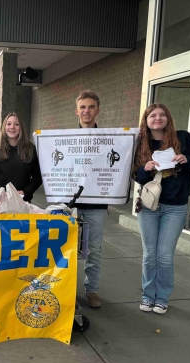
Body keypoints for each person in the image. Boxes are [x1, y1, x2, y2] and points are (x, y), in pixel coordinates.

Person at [133, 103, 190, 315]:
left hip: (175, 207)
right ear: (146, 120)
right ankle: (147, 296)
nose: (158, 118)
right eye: (153, 115)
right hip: (148, 206)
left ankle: (162, 298)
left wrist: (186, 160)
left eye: (162, 114)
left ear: (168, 118)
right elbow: (135, 176)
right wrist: (145, 169)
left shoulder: (182, 138)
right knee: (149, 254)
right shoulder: (141, 143)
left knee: (164, 255)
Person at [74, 90, 107, 308]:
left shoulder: (108, 139)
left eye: (91, 107)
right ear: (77, 111)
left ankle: (92, 290)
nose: (87, 111)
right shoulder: (66, 139)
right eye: (83, 107)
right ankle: (69, 292)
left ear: (98, 110)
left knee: (94, 250)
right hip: (71, 204)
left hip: (96, 204)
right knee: (68, 250)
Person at [0, 112, 42, 202]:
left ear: (21, 127)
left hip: (23, 202)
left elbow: (38, 177)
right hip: (2, 202)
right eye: (9, 124)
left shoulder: (30, 150)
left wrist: (25, 191)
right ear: (4, 127)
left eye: (16, 124)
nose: (12, 127)